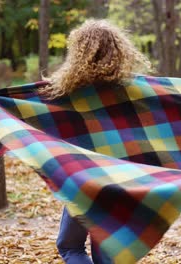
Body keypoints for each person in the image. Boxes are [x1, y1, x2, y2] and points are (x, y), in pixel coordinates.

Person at [40, 19, 151, 264]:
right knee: (108, 252)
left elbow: (27, 112)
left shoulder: (65, 94)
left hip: (83, 181)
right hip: (123, 180)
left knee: (70, 246)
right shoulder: (136, 92)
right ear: (120, 51)